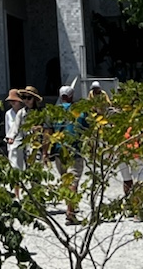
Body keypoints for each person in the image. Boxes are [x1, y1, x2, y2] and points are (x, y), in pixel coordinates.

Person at [45, 85, 88, 225]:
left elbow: (47, 133)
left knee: (65, 181)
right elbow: (88, 130)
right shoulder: (79, 111)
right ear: (71, 96)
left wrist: (45, 152)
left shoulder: (53, 112)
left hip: (59, 151)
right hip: (74, 149)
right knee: (73, 181)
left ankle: (70, 209)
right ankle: (70, 213)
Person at [4, 88, 27, 171]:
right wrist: (8, 146)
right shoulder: (8, 114)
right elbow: (7, 130)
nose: (13, 102)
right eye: (11, 101)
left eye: (14, 100)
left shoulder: (24, 112)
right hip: (13, 144)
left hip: (24, 142)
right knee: (15, 166)